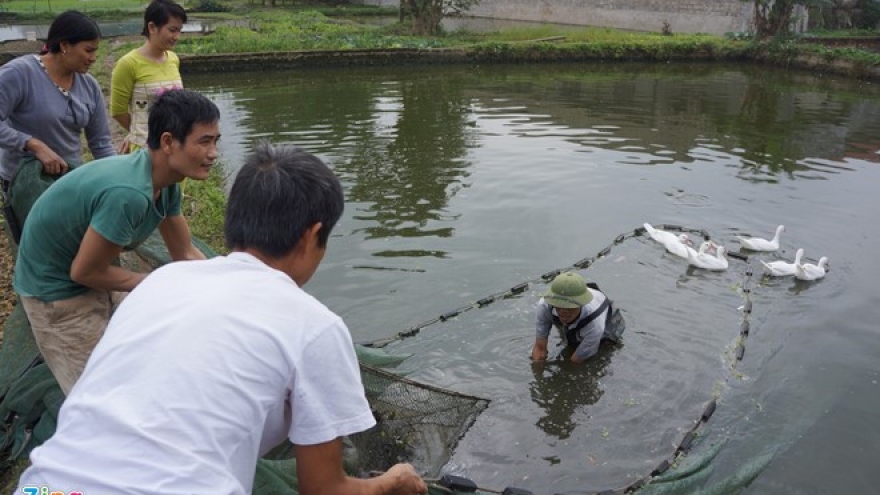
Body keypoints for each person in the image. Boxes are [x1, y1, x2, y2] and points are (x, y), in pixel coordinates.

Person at [16, 143, 428, 495]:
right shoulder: (315, 326)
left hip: (46, 484)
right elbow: (324, 489)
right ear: (311, 234)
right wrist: (393, 480)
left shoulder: (162, 282)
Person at [12, 89, 218, 395]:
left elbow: (185, 252)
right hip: (55, 291)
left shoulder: (167, 181)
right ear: (167, 142)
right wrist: (158, 282)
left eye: (216, 141)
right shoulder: (129, 195)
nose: (213, 153)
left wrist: (227, 285)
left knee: (135, 359)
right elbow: (84, 272)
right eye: (204, 141)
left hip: (92, 269)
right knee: (97, 396)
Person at [0, 10, 114, 193]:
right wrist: (33, 144)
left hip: (68, 182)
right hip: (26, 184)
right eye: (88, 50)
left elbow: (101, 142)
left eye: (96, 51)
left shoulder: (89, 86)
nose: (93, 58)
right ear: (64, 45)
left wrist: (116, 176)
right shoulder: (19, 74)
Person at [110, 0, 187, 154]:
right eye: (172, 30)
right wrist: (137, 132)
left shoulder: (173, 59)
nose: (176, 36)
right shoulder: (128, 64)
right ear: (152, 27)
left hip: (174, 147)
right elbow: (118, 111)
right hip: (146, 148)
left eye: (179, 30)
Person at [530, 271, 623, 364]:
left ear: (581, 304)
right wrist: (538, 373)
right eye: (558, 305)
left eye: (569, 306)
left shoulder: (595, 322)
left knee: (602, 349)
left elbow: (576, 360)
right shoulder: (545, 305)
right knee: (569, 337)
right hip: (578, 313)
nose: (563, 311)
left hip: (608, 320)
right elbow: (540, 347)